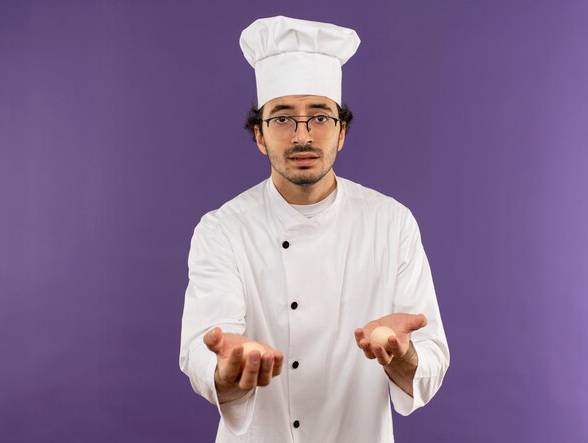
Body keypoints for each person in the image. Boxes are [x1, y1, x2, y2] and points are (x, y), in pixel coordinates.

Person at [179, 16, 449, 443]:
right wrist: (228, 368)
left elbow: (431, 361)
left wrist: (402, 354)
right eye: (283, 119)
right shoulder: (222, 229)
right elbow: (202, 348)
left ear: (341, 132)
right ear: (259, 135)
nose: (302, 136)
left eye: (320, 117)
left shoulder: (391, 223)